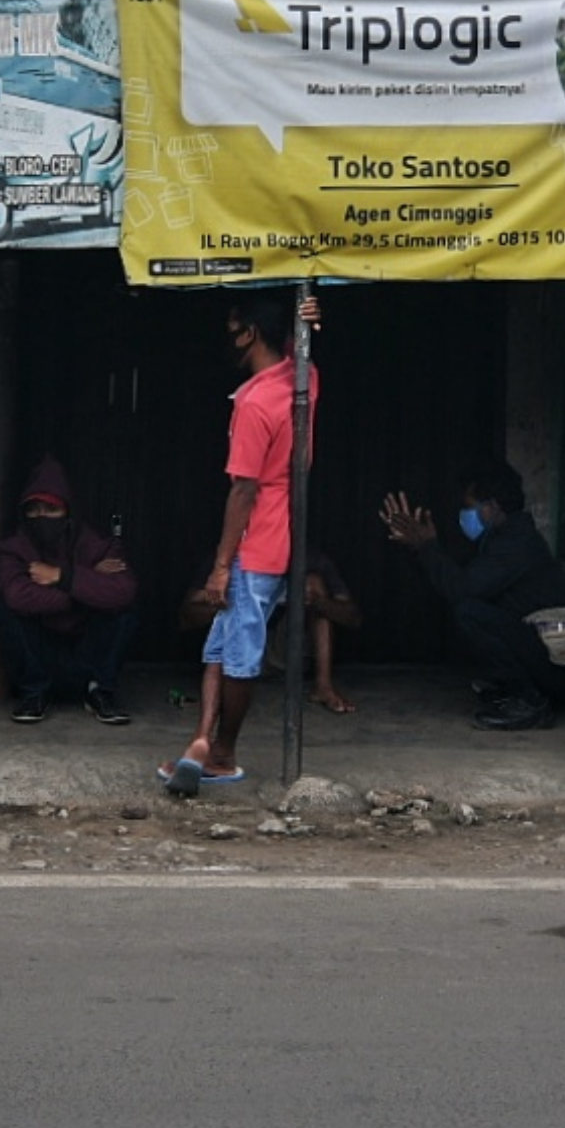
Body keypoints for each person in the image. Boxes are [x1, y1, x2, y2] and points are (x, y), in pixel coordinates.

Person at [162, 291, 319, 797]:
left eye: (233, 327)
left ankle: (224, 752)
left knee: (240, 653)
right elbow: (302, 355)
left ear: (249, 332)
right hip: (285, 530)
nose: (228, 338)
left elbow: (243, 489)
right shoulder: (302, 380)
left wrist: (221, 563)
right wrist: (309, 325)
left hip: (260, 540)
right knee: (222, 644)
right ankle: (202, 743)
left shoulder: (254, 403)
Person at [379, 456, 565, 730]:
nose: (464, 515)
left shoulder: (516, 545)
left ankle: (530, 702)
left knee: (469, 612)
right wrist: (420, 547)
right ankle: (513, 691)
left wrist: (426, 546)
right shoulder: (501, 539)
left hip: (558, 669)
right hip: (545, 658)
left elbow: (461, 589)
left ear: (491, 506)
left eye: (469, 507)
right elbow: (455, 576)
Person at [0, 458, 137, 725]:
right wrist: (89, 586)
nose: (41, 516)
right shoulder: (12, 547)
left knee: (123, 613)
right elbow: (17, 595)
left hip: (87, 651)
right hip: (40, 651)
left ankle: (100, 691)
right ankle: (34, 693)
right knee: (5, 610)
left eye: (50, 509)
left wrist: (63, 576)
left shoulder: (98, 544)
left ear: (68, 512)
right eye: (33, 509)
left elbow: (124, 592)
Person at [177, 545, 361, 712]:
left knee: (314, 582)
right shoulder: (229, 558)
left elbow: (353, 618)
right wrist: (224, 600)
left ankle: (323, 686)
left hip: (281, 654)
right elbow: (186, 617)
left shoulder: (310, 559)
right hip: (238, 653)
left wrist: (318, 602)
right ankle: (223, 690)